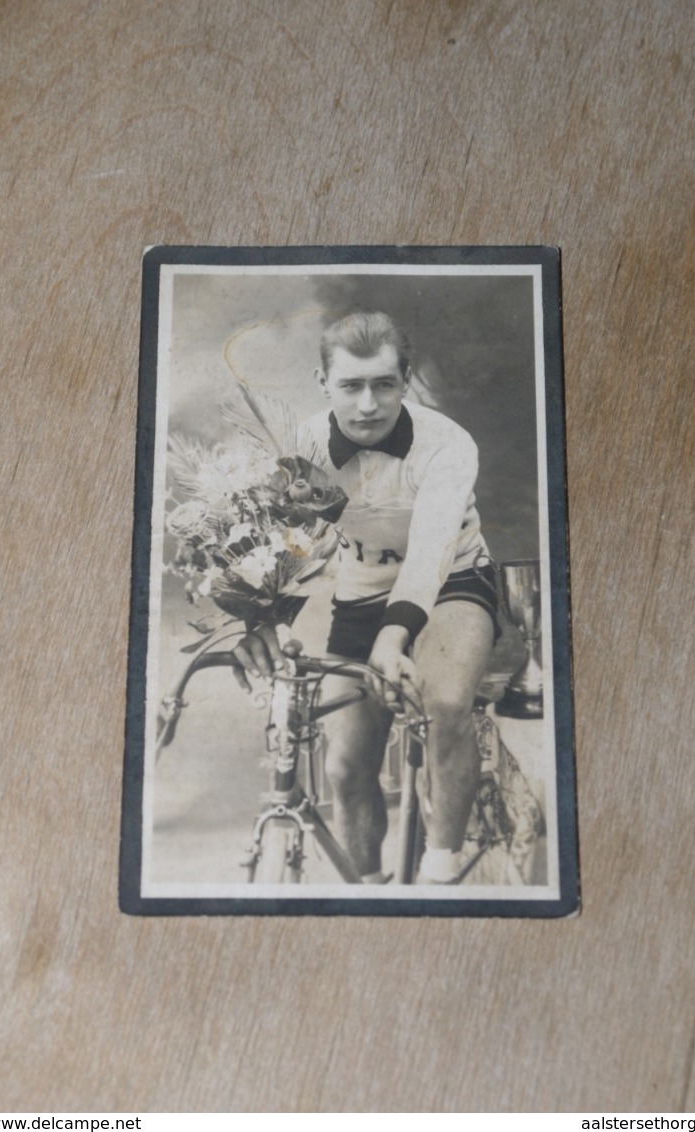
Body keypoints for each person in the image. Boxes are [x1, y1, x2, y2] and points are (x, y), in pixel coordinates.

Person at [232, 312, 499, 884]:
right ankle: (367, 890)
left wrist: (394, 634)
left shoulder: (448, 443)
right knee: (347, 764)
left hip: (452, 580)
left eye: (385, 384)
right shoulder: (300, 445)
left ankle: (440, 871)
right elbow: (281, 546)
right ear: (322, 382)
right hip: (361, 592)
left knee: (446, 702)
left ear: (407, 379)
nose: (369, 405)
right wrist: (261, 620)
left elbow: (430, 554)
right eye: (351, 385)